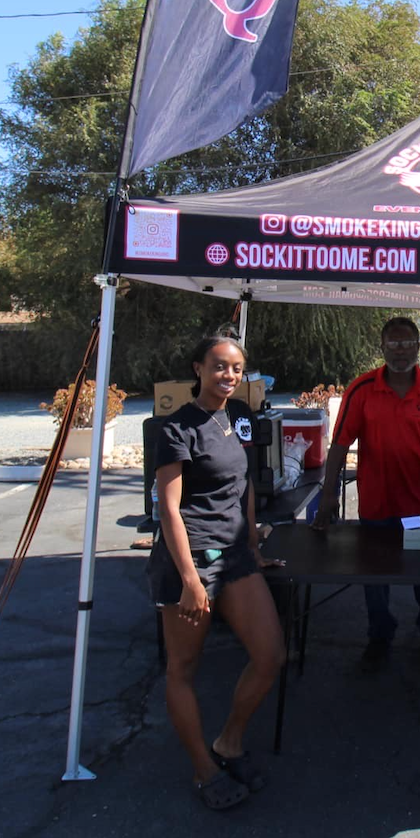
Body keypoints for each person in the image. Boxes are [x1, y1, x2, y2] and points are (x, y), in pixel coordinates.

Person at [149, 334, 285, 810]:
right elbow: (168, 510)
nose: (228, 376)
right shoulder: (176, 428)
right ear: (199, 369)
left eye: (236, 368)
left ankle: (228, 742)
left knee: (270, 655)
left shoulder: (239, 419)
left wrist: (252, 546)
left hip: (236, 556)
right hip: (191, 561)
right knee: (183, 669)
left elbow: (244, 486)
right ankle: (204, 771)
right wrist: (188, 580)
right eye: (219, 367)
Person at [315, 316, 420, 671]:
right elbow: (339, 446)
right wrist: (328, 495)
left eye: (407, 343)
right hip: (377, 503)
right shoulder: (362, 390)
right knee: (374, 575)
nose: (400, 350)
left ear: (418, 347)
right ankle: (379, 636)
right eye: (393, 343)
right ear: (382, 348)